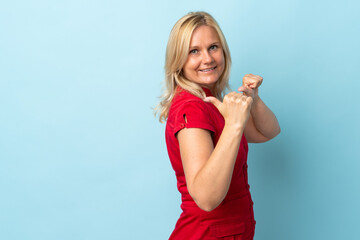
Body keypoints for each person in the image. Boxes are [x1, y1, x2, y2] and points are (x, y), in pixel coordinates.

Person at [155, 11, 280, 240]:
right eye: (194, 51)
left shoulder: (210, 102)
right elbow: (206, 198)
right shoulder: (192, 108)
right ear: (178, 60)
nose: (208, 59)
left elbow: (268, 131)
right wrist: (234, 124)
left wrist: (253, 99)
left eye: (213, 47)